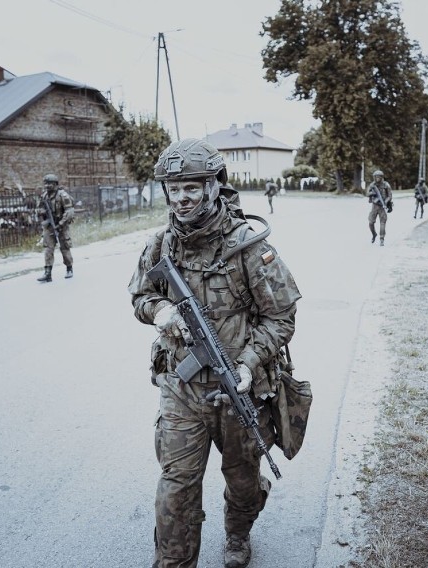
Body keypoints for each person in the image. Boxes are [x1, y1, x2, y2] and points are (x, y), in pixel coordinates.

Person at [127, 138, 301, 568]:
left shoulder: (249, 247)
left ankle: (238, 534)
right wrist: (160, 310)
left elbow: (281, 319)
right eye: (174, 189)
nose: (182, 198)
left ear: (212, 186)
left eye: (191, 187)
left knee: (242, 482)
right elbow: (139, 296)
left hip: (238, 390)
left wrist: (247, 362)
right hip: (181, 387)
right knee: (177, 484)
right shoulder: (160, 245)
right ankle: (173, 561)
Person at [36, 173, 74, 282]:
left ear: (56, 184)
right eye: (46, 184)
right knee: (48, 248)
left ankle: (69, 268)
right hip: (49, 226)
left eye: (50, 184)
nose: (47, 186)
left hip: (62, 225)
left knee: (64, 247)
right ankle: (47, 273)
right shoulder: (44, 196)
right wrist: (42, 212)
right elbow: (38, 209)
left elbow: (69, 211)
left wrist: (61, 224)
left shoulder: (62, 195)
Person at [366, 169, 393, 246]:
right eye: (376, 177)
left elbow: (390, 196)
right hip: (374, 206)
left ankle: (382, 238)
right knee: (371, 222)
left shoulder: (386, 185)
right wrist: (372, 193)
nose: (377, 178)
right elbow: (367, 194)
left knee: (382, 223)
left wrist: (385, 202)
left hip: (382, 206)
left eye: (379, 177)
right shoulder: (372, 185)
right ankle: (374, 234)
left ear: (382, 177)